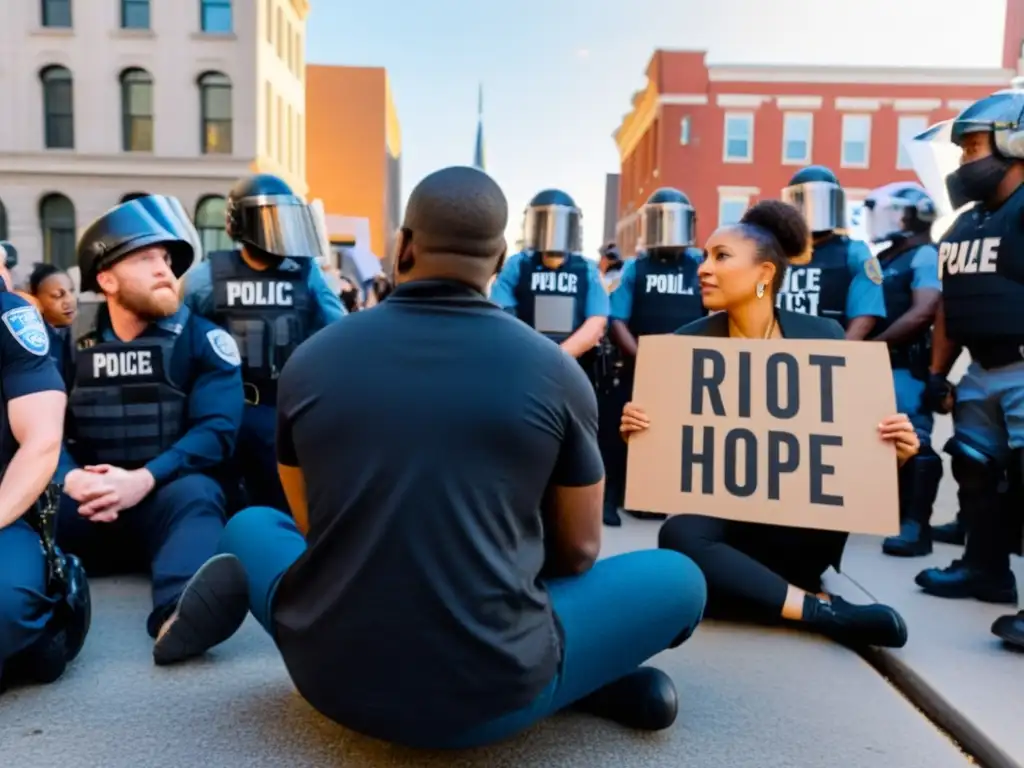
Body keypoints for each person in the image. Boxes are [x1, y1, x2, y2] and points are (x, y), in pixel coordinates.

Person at [168, 166, 707, 749]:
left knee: (249, 525)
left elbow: (310, 526)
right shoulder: (556, 372)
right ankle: (582, 679)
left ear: (403, 246)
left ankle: (578, 674)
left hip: (327, 678)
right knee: (680, 578)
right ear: (501, 259)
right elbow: (579, 552)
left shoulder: (311, 360)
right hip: (495, 694)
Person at [621, 200, 912, 649]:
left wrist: (891, 455)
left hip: (800, 532)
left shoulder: (826, 339)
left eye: (721, 257)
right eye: (703, 257)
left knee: (682, 585)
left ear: (764, 274)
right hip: (724, 533)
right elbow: (670, 473)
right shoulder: (686, 345)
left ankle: (756, 595)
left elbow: (846, 467)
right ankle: (819, 611)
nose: (703, 268)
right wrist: (641, 434)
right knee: (677, 535)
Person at [56, 194, 248, 666]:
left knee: (199, 494)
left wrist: (143, 479)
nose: (164, 269)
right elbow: (39, 431)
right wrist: (71, 478)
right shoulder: (66, 343)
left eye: (166, 259)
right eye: (145, 258)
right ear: (107, 279)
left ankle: (181, 611)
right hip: (86, 501)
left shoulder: (205, 340)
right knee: (26, 504)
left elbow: (216, 432)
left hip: (162, 501)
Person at [907, 90, 1024, 649]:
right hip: (980, 369)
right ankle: (985, 570)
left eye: (973, 146)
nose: (962, 162)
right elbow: (952, 306)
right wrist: (938, 373)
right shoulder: (962, 227)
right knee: (973, 470)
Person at [181, 174, 346, 512]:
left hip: (283, 408)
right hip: (225, 409)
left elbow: (340, 331)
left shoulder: (306, 272)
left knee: (282, 504)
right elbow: (182, 343)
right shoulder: (206, 277)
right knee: (223, 500)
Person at [603, 188, 706, 527]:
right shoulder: (634, 268)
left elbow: (738, 300)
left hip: (695, 369)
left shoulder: (703, 264)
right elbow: (616, 318)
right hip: (640, 366)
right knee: (623, 429)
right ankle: (611, 496)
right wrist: (643, 357)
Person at [0, 291, 87, 690]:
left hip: (4, 509)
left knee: (8, 607)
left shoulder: (9, 315)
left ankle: (47, 608)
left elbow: (42, 441)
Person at [861, 184, 944, 557]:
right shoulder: (891, 256)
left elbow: (925, 310)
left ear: (913, 216)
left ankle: (915, 527)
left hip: (904, 367)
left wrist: (875, 345)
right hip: (880, 366)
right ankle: (891, 515)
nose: (887, 221)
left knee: (912, 441)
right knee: (881, 441)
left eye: (896, 213)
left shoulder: (924, 255)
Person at [489, 189, 609, 377]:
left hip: (573, 368)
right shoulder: (517, 265)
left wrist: (558, 357)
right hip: (523, 363)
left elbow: (595, 322)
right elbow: (502, 313)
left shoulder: (587, 269)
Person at [779, 166, 887, 339]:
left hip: (826, 352)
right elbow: (758, 292)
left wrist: (839, 354)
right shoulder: (773, 252)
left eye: (819, 202)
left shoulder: (856, 252)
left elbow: (865, 315)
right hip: (776, 351)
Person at [25, 263, 77, 387]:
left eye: (71, 291)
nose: (69, 301)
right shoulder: (32, 341)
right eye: (58, 295)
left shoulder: (81, 333)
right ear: (35, 299)